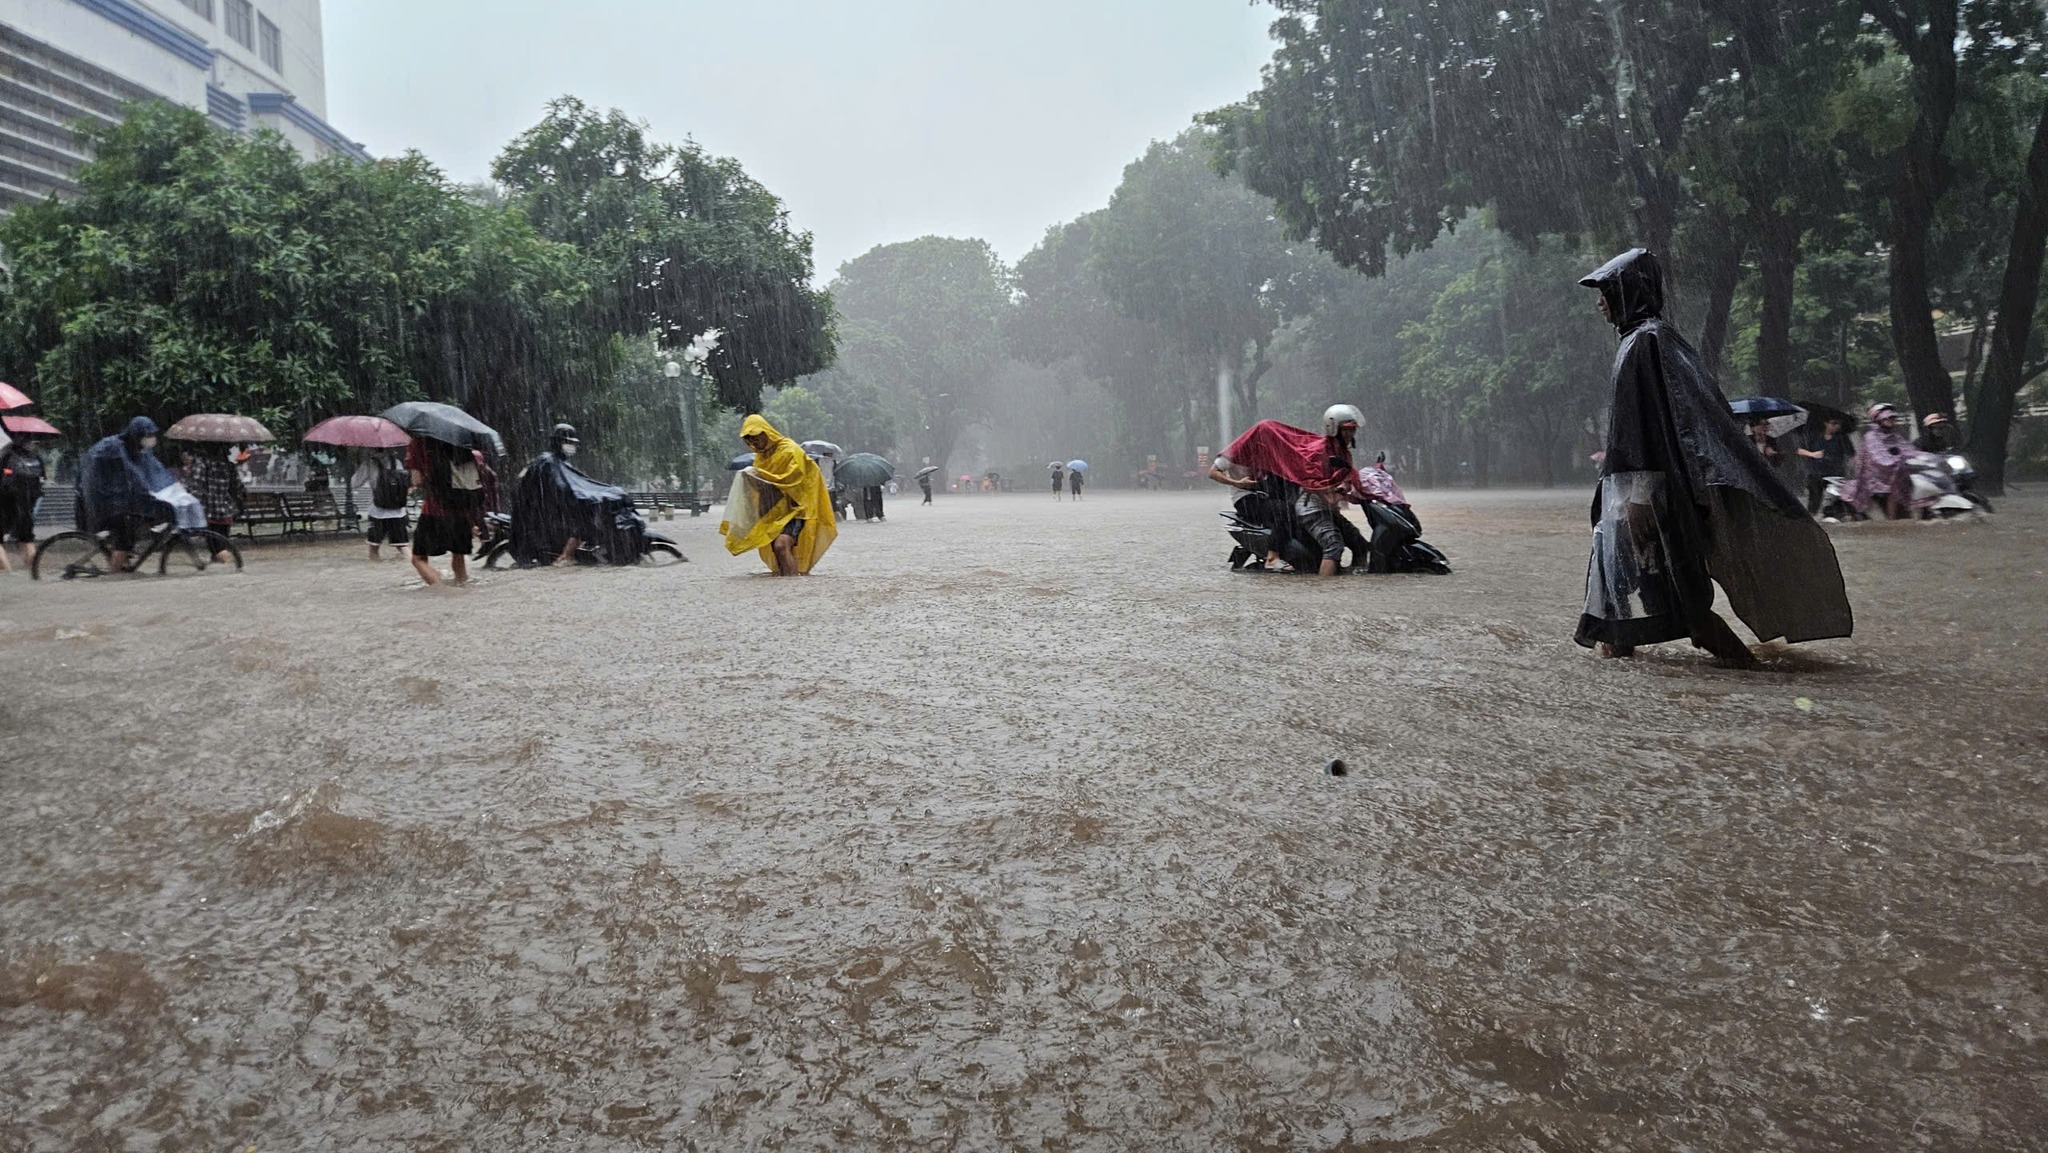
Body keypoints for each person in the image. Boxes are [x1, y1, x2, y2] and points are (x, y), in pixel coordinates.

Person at [1575, 249, 1852, 666]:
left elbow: (1650, 428)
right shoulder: (1645, 340)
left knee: (1678, 600)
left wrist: (1639, 499)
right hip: (1637, 493)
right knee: (1619, 595)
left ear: (1632, 291)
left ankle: (1750, 670)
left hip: (1646, 497)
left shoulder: (1648, 341)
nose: (1600, 301)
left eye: (1608, 291)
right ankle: (1623, 669)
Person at [721, 414, 837, 576]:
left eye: (756, 439)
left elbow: (793, 480)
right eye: (750, 442)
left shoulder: (790, 450)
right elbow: (761, 487)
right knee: (778, 551)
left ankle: (793, 583)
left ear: (766, 433)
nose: (754, 444)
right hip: (773, 510)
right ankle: (788, 582)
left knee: (781, 545)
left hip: (796, 508)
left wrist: (761, 476)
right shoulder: (761, 457)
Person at [80, 417, 185, 574]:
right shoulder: (115, 448)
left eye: (152, 434)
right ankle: (114, 575)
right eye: (147, 435)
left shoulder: (137, 449)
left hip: (117, 499)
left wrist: (173, 487)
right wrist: (148, 491)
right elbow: (133, 474)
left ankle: (120, 557)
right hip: (102, 500)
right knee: (125, 536)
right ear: (137, 435)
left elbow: (155, 470)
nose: (151, 438)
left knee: (139, 520)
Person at [404, 436, 475, 586]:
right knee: (459, 559)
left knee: (418, 559)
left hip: (434, 511)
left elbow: (417, 481)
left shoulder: (419, 442)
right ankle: (463, 589)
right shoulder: (460, 441)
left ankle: (441, 590)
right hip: (462, 511)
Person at [1843, 404, 1915, 520]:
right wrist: (1897, 461)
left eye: (1892, 418)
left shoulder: (1895, 437)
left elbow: (1910, 451)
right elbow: (1881, 458)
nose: (1891, 420)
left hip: (1890, 476)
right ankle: (1891, 521)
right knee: (1894, 487)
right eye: (1887, 418)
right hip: (1872, 481)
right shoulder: (1871, 437)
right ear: (1878, 420)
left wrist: (1927, 457)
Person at [179, 444, 243, 563]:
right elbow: (238, 486)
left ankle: (218, 560)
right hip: (226, 509)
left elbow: (196, 486)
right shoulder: (229, 466)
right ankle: (223, 559)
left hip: (209, 510)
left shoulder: (202, 464)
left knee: (212, 540)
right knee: (223, 538)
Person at [0, 433, 44, 572]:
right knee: (27, 539)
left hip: (5, 503)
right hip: (27, 504)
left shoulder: (6, 455)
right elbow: (41, 480)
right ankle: (35, 573)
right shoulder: (35, 457)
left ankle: (8, 574)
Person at [360, 448, 412, 561]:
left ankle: (375, 568)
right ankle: (412, 566)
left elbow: (355, 483)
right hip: (398, 512)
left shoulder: (369, 464)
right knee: (403, 546)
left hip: (377, 512)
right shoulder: (396, 462)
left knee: (374, 548)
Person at [1796, 416, 1854, 516]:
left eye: (1838, 424)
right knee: (1814, 501)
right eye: (1833, 424)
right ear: (1826, 424)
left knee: (1835, 500)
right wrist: (1812, 454)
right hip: (1815, 472)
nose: (1836, 426)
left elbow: (1851, 454)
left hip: (1835, 473)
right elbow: (1799, 450)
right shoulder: (1814, 436)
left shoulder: (1842, 437)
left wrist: (1851, 468)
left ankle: (1835, 516)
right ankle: (1813, 517)